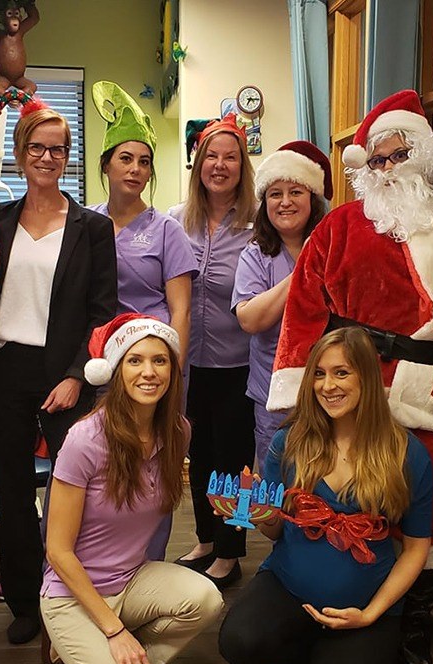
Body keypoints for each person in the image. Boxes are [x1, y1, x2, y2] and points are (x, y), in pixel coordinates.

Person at [267, 89, 433, 664]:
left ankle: (410, 634)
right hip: (351, 389)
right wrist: (296, 391)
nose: (389, 168)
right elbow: (304, 314)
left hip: (427, 395)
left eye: (400, 155)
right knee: (335, 503)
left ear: (424, 157)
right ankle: (315, 618)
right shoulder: (337, 227)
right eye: (380, 158)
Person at [219, 326, 433, 664]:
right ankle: (306, 655)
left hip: (365, 608)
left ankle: (332, 660)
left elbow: (416, 548)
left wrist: (371, 613)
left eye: (341, 372)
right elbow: (274, 530)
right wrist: (257, 513)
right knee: (239, 642)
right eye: (318, 373)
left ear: (366, 377)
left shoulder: (407, 453)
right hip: (289, 589)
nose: (327, 385)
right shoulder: (290, 442)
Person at [0, 97, 118, 645]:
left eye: (58, 149)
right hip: (3, 369)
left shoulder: (92, 228)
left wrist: (79, 374)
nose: (47, 157)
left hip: (64, 373)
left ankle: (73, 596)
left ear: (68, 156)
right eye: (37, 147)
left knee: (72, 490)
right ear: (18, 153)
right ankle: (24, 600)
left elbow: (103, 311)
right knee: (11, 491)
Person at [41, 313, 224, 664]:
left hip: (130, 581)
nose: (149, 372)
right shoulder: (85, 440)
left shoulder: (178, 431)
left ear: (173, 371)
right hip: (71, 596)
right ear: (116, 370)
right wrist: (115, 630)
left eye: (160, 361)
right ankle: (92, 650)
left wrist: (229, 506)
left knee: (207, 599)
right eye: (135, 360)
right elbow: (57, 551)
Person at [88, 81, 197, 561]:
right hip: (100, 367)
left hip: (152, 365)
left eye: (144, 161)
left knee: (153, 467)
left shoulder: (166, 230)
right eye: (126, 158)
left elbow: (181, 311)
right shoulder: (85, 223)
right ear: (106, 164)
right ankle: (102, 566)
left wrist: (172, 370)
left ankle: (147, 565)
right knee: (103, 466)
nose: (135, 169)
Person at [168, 114, 257, 589]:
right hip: (189, 364)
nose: (220, 165)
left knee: (237, 463)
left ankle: (232, 549)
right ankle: (206, 538)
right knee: (198, 456)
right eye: (212, 156)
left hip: (241, 365)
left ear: (242, 167)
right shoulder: (174, 219)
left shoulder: (257, 225)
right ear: (199, 162)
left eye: (231, 157)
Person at [232, 140, 331, 466]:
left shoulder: (335, 249)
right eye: (275, 194)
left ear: (313, 198)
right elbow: (250, 319)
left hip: (330, 392)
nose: (285, 202)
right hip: (273, 397)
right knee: (278, 490)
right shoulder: (256, 254)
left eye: (295, 192)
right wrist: (301, 271)